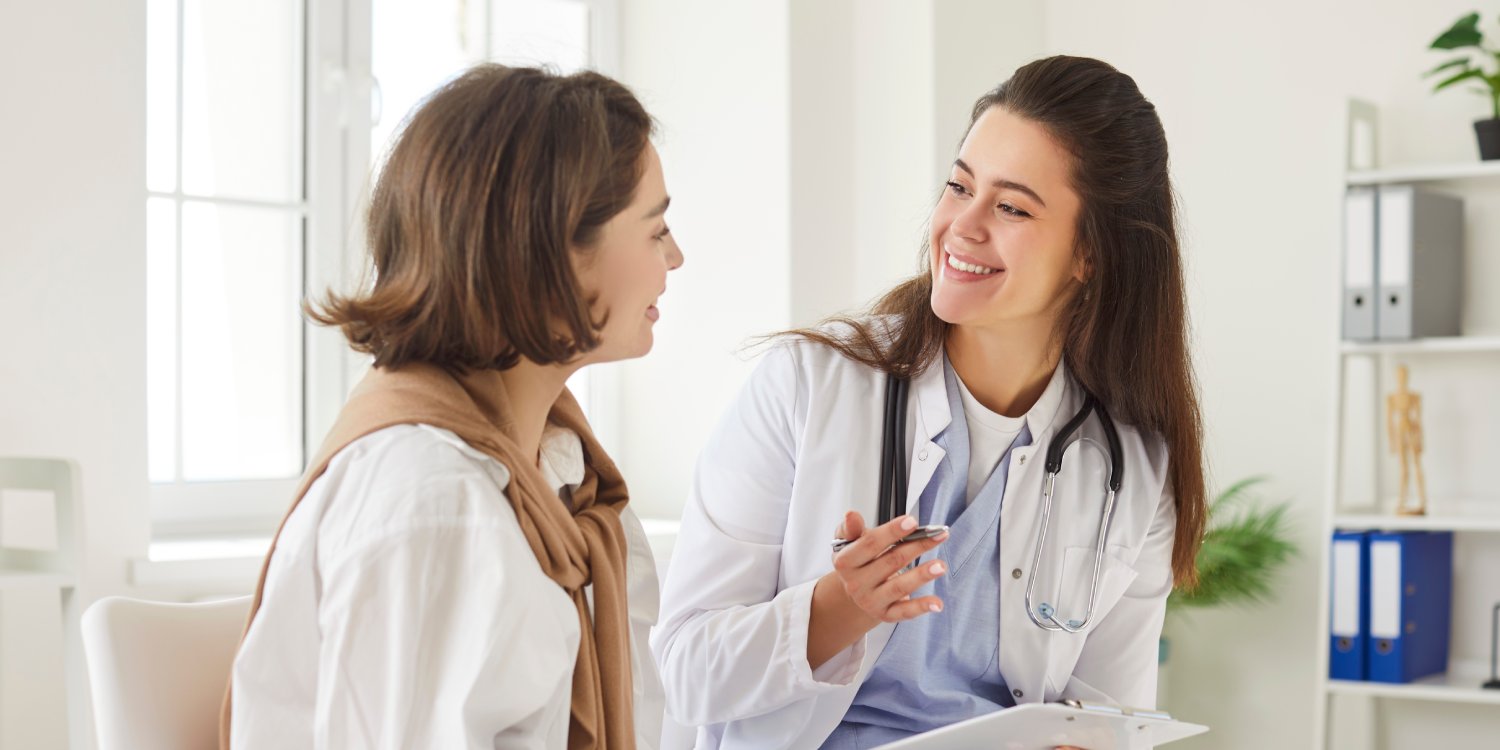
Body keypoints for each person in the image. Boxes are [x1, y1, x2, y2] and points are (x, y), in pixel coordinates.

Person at [651, 55, 1205, 749]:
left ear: (1090, 254)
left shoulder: (1133, 468)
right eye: (958, 187)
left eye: (1009, 207)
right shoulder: (808, 385)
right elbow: (686, 671)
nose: (962, 226)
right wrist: (836, 610)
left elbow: (1111, 719)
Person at [223, 64, 684, 749]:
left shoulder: (558, 474)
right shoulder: (434, 507)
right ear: (553, 253)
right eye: (654, 230)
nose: (674, 258)